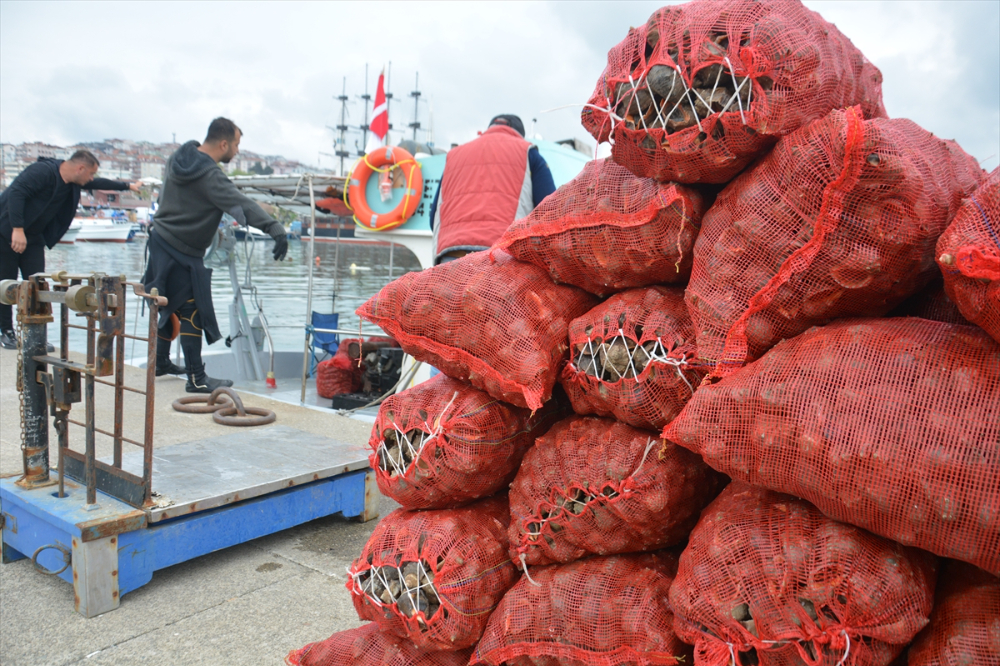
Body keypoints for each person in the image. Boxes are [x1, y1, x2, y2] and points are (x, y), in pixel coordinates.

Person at [143, 117, 288, 393]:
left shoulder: (177, 158)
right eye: (236, 145)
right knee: (192, 309)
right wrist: (274, 227)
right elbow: (239, 203)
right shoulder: (209, 175)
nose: (237, 151)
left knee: (165, 303)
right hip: (182, 251)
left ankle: (161, 361)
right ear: (224, 143)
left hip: (160, 241)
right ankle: (197, 379)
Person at [0, 151, 139, 349]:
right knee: (6, 283)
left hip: (34, 238)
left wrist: (126, 185)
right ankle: (6, 332)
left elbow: (98, 183)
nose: (90, 178)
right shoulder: (42, 171)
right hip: (7, 232)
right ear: (80, 168)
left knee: (36, 285)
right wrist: (17, 229)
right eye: (90, 173)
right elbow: (17, 193)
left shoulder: (74, 182)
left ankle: (35, 335)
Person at [428, 114, 556, 264]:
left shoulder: (453, 156)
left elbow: (434, 218)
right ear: (519, 135)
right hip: (500, 258)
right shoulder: (528, 152)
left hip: (450, 258)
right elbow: (550, 215)